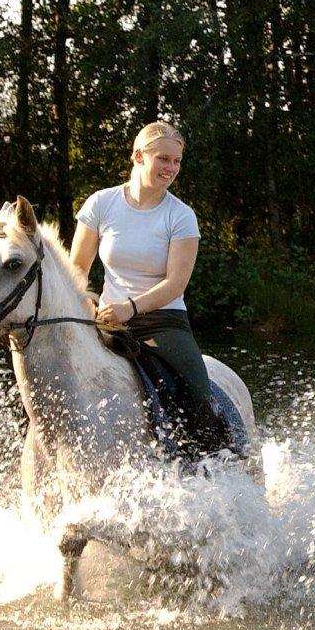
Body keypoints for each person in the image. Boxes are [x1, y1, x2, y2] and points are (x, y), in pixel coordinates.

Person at [69, 120, 220, 439]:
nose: (171, 168)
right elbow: (78, 267)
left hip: (164, 323)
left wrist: (131, 307)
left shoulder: (181, 216)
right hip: (107, 322)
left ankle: (216, 462)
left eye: (177, 161)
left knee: (199, 398)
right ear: (139, 156)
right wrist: (85, 305)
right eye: (163, 159)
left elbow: (175, 284)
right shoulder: (101, 203)